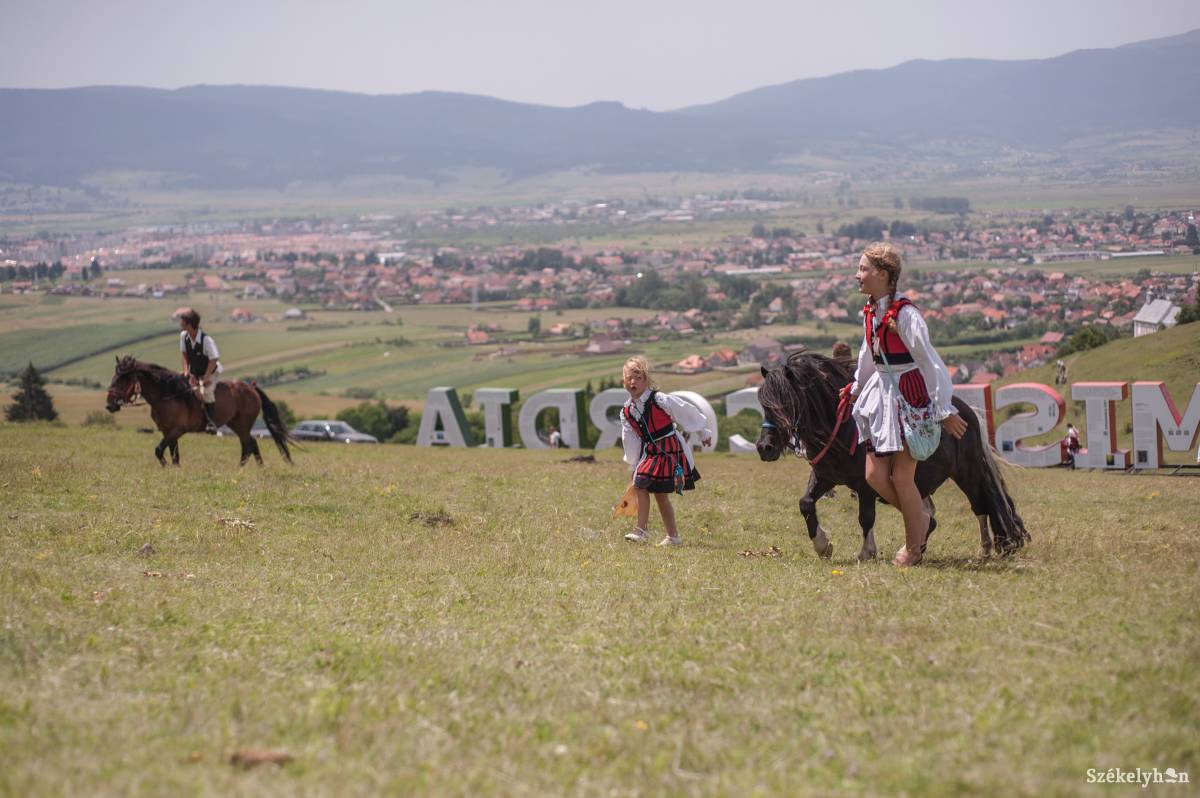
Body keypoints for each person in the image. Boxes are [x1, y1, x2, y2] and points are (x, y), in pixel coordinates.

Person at [844, 243, 967, 566]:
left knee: (902, 477)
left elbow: (930, 362)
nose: (857, 276)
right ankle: (921, 522)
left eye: (863, 269)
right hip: (880, 393)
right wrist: (857, 388)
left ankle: (913, 549)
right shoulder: (871, 312)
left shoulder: (907, 314)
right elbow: (867, 355)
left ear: (882, 275)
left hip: (908, 396)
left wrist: (944, 409)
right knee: (873, 475)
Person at [620, 356, 711, 547]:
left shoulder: (660, 400)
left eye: (638, 377)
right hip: (650, 451)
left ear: (646, 380)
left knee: (653, 491)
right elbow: (630, 439)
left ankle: (657, 534)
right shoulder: (627, 411)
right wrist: (633, 463)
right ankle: (658, 534)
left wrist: (703, 431)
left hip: (670, 449)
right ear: (624, 381)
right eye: (629, 378)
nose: (633, 382)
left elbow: (686, 412)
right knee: (643, 485)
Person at [178, 308, 223, 433]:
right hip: (195, 372)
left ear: (188, 324)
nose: (180, 324)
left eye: (182, 322)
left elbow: (214, 359)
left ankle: (211, 424)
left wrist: (206, 377)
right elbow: (185, 355)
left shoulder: (206, 340)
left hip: (211, 371)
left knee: (206, 392)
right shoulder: (183, 336)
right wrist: (186, 371)